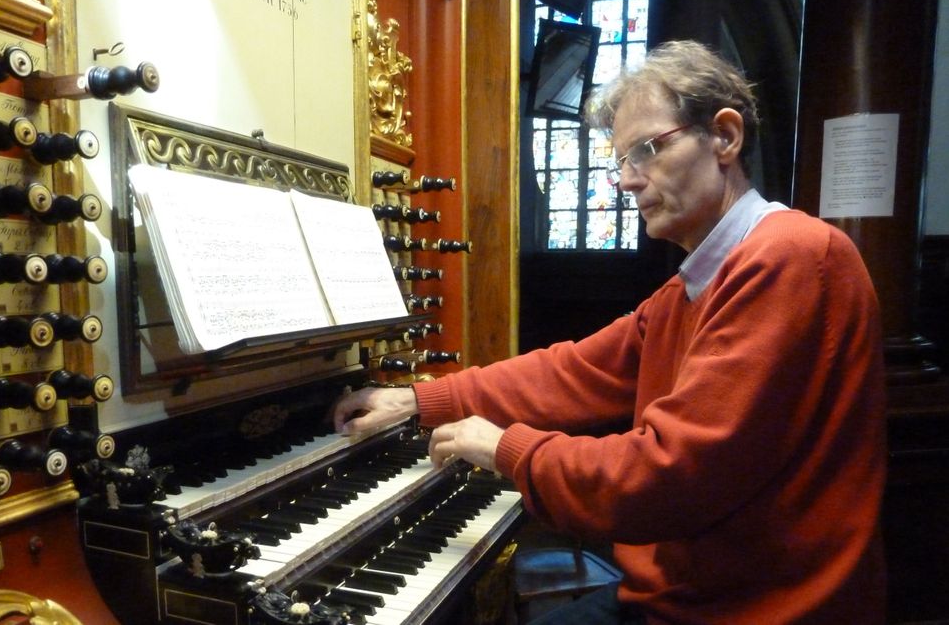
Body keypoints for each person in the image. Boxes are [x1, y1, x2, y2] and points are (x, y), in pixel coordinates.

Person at [333, 40, 886, 624]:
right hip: (684, 594)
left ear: (724, 136)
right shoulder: (693, 286)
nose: (626, 181)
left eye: (645, 151)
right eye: (620, 160)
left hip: (756, 610)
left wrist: (505, 447)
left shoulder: (792, 257)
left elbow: (666, 477)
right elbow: (573, 371)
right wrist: (421, 398)